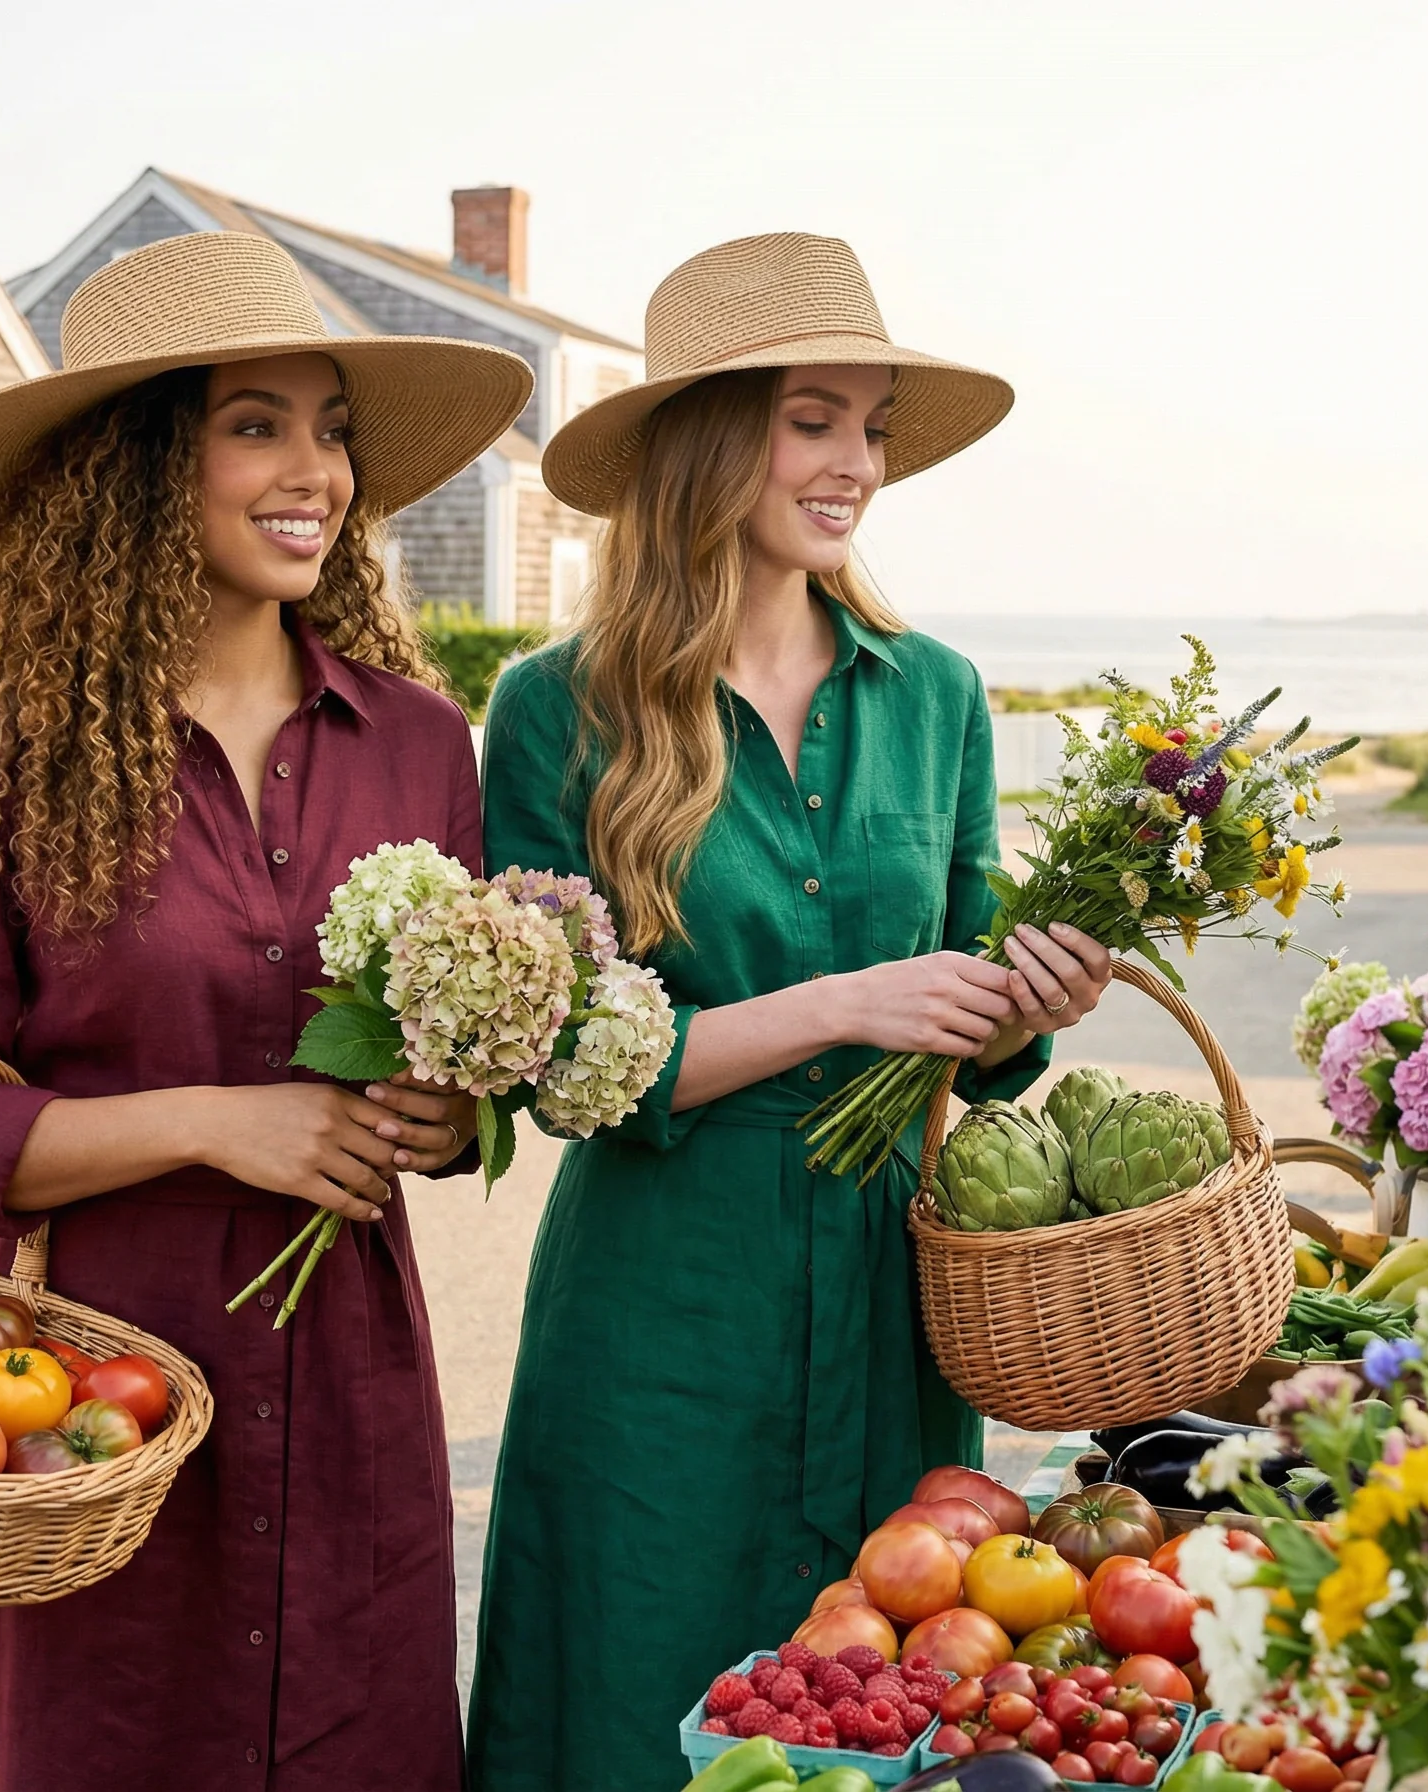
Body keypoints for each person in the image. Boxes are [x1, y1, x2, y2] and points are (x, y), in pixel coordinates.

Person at [0, 231, 531, 1792]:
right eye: (256, 423)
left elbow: (460, 1062)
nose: (316, 471)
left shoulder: (420, 743)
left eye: (332, 426)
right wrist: (219, 1126)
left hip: (345, 1376)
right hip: (78, 1395)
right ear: (139, 468)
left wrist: (446, 1115)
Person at [466, 233, 1117, 1789]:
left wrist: (1034, 998)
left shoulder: (937, 692)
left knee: (881, 1709)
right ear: (708, 439)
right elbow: (563, 1076)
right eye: (815, 418)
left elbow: (980, 1029)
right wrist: (843, 1003)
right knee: (633, 1705)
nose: (858, 466)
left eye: (875, 427)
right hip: (664, 1314)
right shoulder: (559, 708)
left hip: (894, 1305)